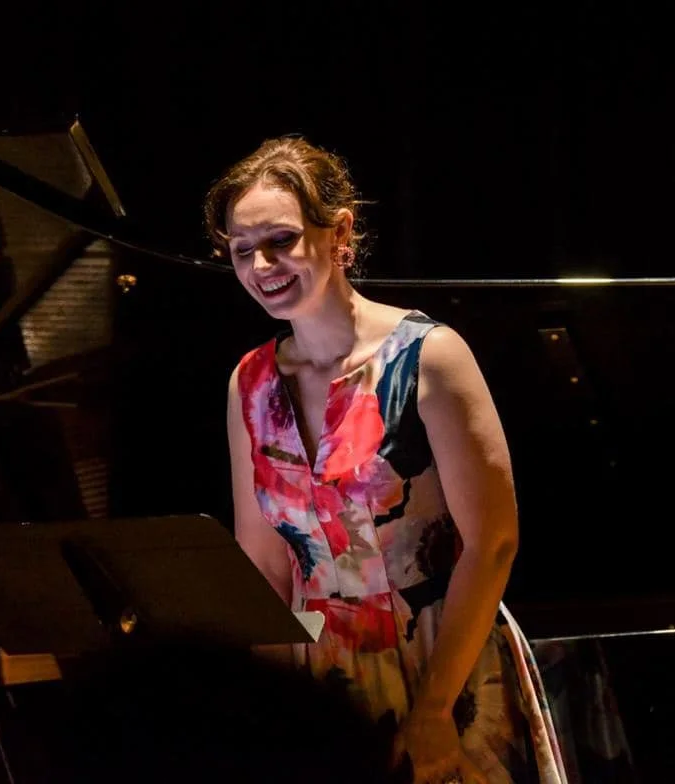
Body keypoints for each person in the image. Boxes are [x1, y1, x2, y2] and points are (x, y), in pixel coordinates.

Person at [206, 136, 568, 784]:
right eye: (241, 249)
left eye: (281, 240)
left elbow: (493, 544)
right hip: (322, 686)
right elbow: (262, 567)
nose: (262, 264)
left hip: (444, 667)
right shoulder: (250, 382)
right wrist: (267, 713)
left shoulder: (430, 355)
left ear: (340, 233)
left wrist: (435, 707)